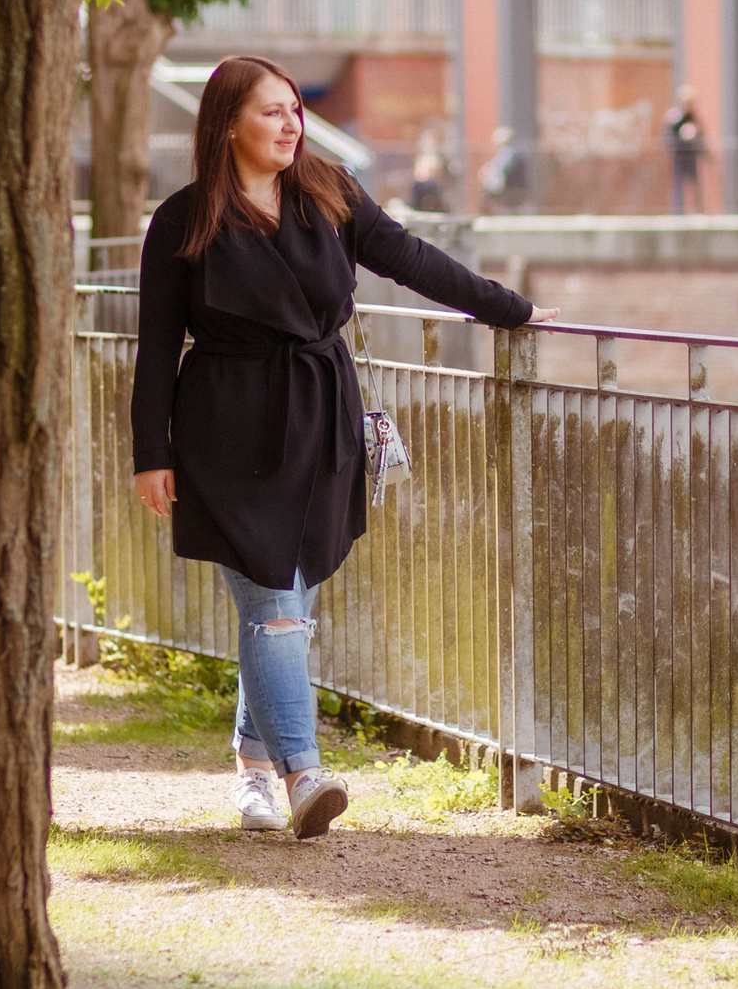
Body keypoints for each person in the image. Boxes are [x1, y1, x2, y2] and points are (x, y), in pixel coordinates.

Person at [131, 56, 556, 839]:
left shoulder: (330, 194)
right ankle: (302, 773)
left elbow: (411, 258)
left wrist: (509, 308)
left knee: (292, 596)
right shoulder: (184, 219)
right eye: (272, 112)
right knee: (272, 603)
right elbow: (156, 343)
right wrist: (149, 452)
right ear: (228, 123)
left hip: (322, 417)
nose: (291, 124)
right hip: (224, 430)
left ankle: (252, 767)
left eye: (295, 109)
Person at [663, 85, 707, 214]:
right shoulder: (674, 117)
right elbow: (668, 137)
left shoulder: (693, 117)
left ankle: (697, 211)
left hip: (691, 155)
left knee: (694, 183)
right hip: (679, 156)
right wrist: (681, 138)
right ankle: (678, 212)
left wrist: (698, 142)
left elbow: (700, 135)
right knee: (678, 184)